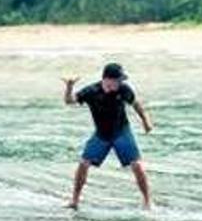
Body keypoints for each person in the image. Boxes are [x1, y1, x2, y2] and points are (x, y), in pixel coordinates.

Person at [61, 62, 154, 210]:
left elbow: (136, 104)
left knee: (137, 165)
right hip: (101, 135)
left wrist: (146, 121)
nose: (121, 82)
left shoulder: (123, 90)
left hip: (121, 132)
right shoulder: (91, 91)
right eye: (118, 79)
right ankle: (74, 201)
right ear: (108, 79)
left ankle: (148, 201)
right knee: (83, 164)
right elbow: (69, 101)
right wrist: (69, 86)